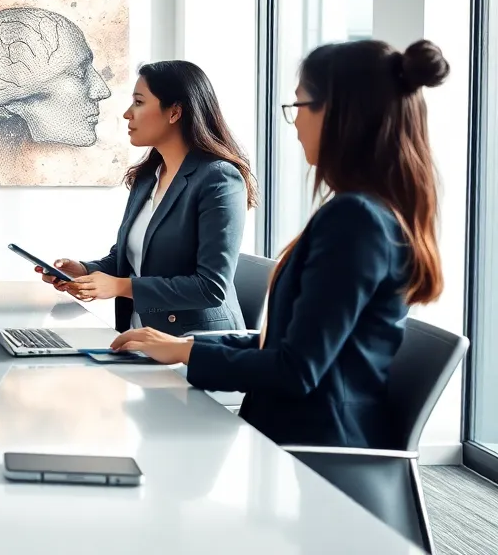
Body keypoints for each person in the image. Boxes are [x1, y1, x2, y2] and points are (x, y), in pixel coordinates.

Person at [112, 40, 448, 449]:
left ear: (341, 115)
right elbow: (291, 347)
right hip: (299, 436)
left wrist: (187, 354)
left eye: (300, 107)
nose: (296, 123)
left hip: (314, 454)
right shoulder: (365, 213)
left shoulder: (354, 221)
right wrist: (186, 346)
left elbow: (295, 370)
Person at [41, 61, 258, 335]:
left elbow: (210, 287)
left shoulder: (219, 179)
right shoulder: (147, 177)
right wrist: (84, 271)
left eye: (139, 102)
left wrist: (120, 287)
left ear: (175, 112)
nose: (127, 114)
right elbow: (131, 258)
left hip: (195, 347)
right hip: (139, 338)